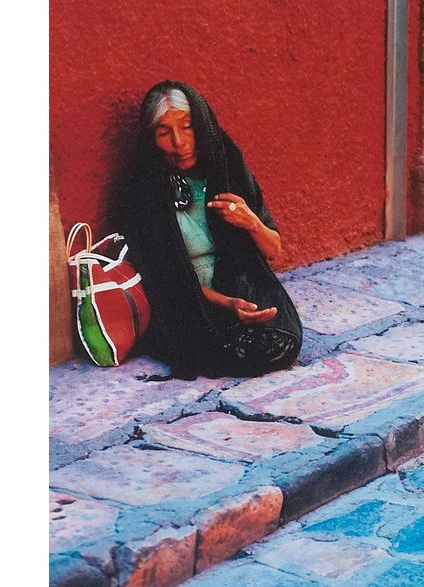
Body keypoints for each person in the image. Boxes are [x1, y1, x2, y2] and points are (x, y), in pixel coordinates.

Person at [116, 81, 302, 379]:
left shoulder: (227, 169)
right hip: (186, 299)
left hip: (239, 285)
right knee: (209, 349)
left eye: (188, 127)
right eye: (164, 132)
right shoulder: (145, 188)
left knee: (282, 341)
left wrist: (250, 221)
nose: (179, 142)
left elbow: (273, 249)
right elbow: (164, 277)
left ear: (203, 126)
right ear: (152, 138)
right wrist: (227, 304)